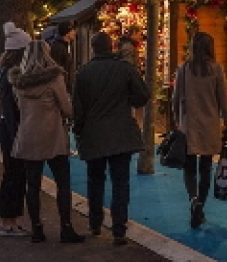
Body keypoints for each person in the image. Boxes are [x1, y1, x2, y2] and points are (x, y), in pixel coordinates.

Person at [72, 32, 150, 246]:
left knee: (95, 181)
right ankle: (119, 230)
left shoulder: (83, 73)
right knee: (120, 182)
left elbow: (77, 108)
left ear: (93, 48)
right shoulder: (124, 68)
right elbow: (143, 95)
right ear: (111, 46)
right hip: (120, 133)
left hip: (94, 134)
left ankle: (95, 223)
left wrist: (78, 130)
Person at [10, 40, 84, 243]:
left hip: (28, 136)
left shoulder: (18, 82)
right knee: (63, 183)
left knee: (32, 184)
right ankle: (66, 228)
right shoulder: (54, 78)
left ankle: (37, 229)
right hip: (53, 137)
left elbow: (19, 109)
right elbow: (67, 109)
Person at [172, 31, 227, 229]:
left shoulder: (184, 69)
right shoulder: (216, 69)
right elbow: (224, 100)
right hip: (210, 124)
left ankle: (193, 199)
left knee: (189, 168)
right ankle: (201, 206)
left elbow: (175, 98)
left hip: (189, 124)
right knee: (205, 168)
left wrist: (176, 120)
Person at [0, 22, 31, 236]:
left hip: (6, 129)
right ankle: (8, 221)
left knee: (13, 173)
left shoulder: (3, 71)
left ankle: (9, 219)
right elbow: (12, 107)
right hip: (12, 131)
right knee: (15, 174)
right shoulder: (13, 74)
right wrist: (17, 132)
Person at [48, 21, 76, 95]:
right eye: (72, 30)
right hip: (62, 88)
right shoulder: (58, 48)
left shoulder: (66, 46)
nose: (74, 32)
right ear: (67, 33)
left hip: (66, 86)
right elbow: (56, 68)